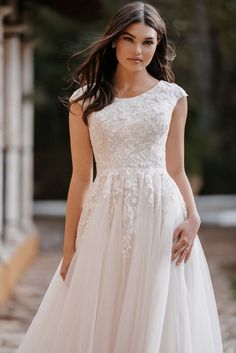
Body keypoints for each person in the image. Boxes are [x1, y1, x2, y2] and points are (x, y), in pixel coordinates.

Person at [16, 2, 224, 352]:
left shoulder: (172, 97)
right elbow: (81, 177)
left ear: (159, 44)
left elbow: (176, 169)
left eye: (147, 41)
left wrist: (194, 216)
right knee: (104, 304)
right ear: (113, 41)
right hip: (105, 217)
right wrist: (69, 250)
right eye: (129, 39)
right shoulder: (85, 99)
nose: (137, 50)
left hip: (162, 215)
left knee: (155, 305)